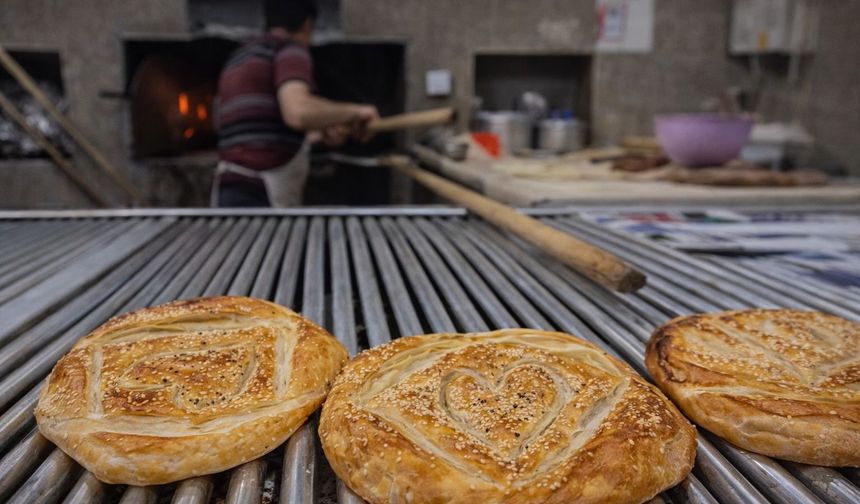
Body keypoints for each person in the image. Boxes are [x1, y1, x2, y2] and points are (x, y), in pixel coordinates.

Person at [213, 0, 379, 207]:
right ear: (307, 24)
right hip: (263, 193)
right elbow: (298, 113)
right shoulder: (289, 50)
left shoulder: (238, 59)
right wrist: (357, 112)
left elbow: (260, 133)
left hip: (228, 189)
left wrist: (320, 134)